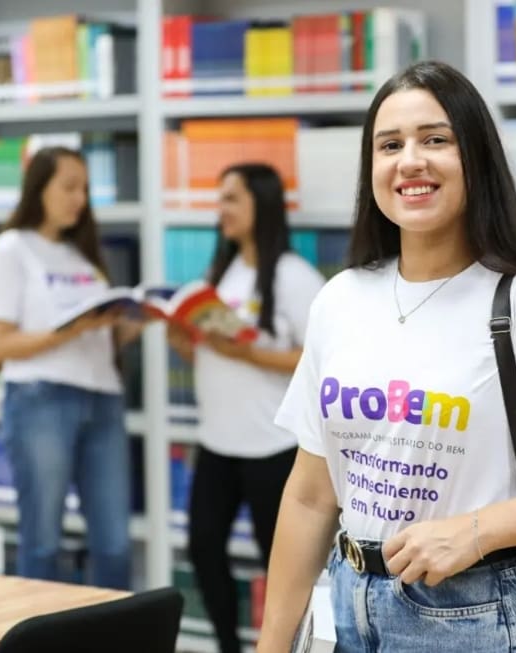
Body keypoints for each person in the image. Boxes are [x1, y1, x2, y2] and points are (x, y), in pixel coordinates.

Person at [256, 61, 516, 653]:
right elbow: (310, 494)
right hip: (347, 603)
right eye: (389, 145)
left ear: (476, 159)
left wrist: (477, 531)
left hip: (473, 611)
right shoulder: (340, 299)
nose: (410, 161)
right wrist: (273, 645)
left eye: (435, 140)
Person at [166, 163, 325, 653]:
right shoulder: (225, 270)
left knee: (282, 564)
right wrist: (183, 336)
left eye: (232, 198)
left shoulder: (297, 278)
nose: (222, 210)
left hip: (272, 446)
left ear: (262, 203)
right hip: (217, 441)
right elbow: (209, 351)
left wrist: (250, 353)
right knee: (204, 550)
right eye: (220, 198)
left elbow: (323, 357)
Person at [0, 146, 145, 590]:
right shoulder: (11, 249)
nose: (80, 198)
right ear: (39, 189)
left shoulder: (81, 256)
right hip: (42, 400)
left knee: (114, 544)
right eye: (69, 187)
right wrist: (69, 331)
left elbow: (97, 335)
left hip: (103, 399)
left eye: (85, 189)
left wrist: (132, 322)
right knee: (42, 542)